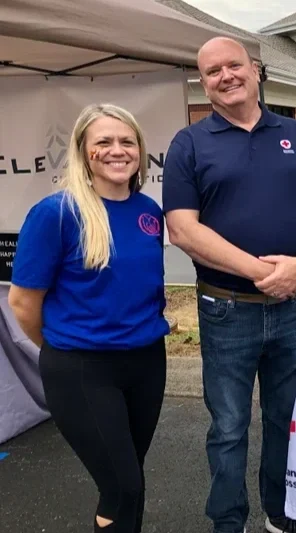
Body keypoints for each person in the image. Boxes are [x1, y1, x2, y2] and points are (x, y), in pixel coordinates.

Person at [161, 36, 296, 533]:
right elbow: (182, 228)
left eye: (233, 65)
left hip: (295, 307)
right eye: (212, 71)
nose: (225, 76)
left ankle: (280, 514)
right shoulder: (189, 144)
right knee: (229, 427)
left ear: (255, 70)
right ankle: (228, 521)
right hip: (226, 310)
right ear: (204, 83)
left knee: (288, 418)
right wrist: (263, 273)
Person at [8, 103, 169, 533]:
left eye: (127, 141)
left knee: (130, 479)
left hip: (147, 362)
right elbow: (23, 302)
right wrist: (62, 349)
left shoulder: (149, 211)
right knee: (123, 486)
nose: (117, 150)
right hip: (82, 369)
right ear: (84, 151)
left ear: (140, 150)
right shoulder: (56, 213)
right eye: (104, 142)